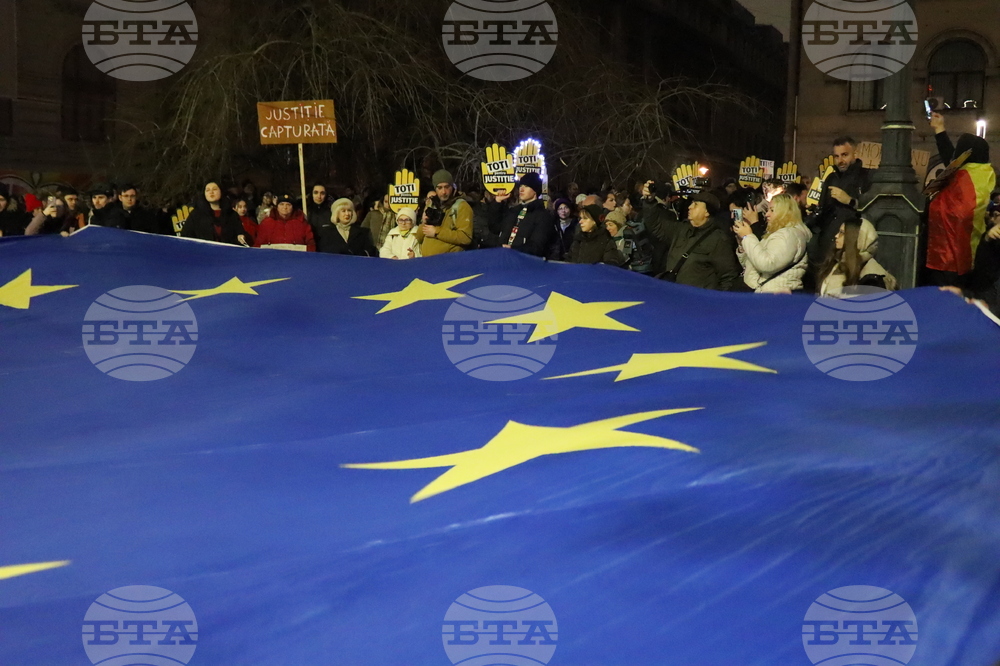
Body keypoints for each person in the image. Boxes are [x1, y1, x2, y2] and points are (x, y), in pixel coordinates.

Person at [925, 112, 997, 288]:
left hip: (947, 258)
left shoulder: (962, 176)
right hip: (968, 255)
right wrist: (939, 129)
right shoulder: (984, 175)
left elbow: (950, 159)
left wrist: (940, 129)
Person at [641, 184, 740, 291]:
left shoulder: (718, 239)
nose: (690, 207)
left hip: (697, 302)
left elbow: (728, 276)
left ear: (707, 212)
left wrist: (713, 302)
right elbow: (656, 225)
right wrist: (649, 202)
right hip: (673, 295)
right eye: (691, 203)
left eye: (696, 204)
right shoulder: (681, 229)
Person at [734, 193, 812, 293]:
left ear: (785, 212)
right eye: (767, 210)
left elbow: (767, 264)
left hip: (776, 295)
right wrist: (742, 244)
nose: (767, 214)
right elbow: (752, 263)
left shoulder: (788, 235)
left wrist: (748, 236)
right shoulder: (777, 233)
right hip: (768, 293)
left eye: (772, 210)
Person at [816, 219, 895, 296]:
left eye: (842, 233)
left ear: (856, 238)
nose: (836, 236)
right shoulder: (837, 262)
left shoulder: (872, 277)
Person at [490, 172, 552, 257]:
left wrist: (513, 249)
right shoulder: (513, 211)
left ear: (535, 191)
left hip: (524, 263)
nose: (521, 189)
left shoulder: (542, 215)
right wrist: (497, 202)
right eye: (520, 186)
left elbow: (537, 247)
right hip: (504, 258)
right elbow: (495, 228)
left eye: (526, 186)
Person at [416, 169, 474, 256]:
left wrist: (437, 232)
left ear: (452, 187)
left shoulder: (461, 206)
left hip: (450, 262)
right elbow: (419, 238)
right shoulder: (432, 205)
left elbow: (465, 238)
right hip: (428, 263)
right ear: (435, 189)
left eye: (447, 187)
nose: (444, 192)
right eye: (439, 188)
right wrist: (423, 223)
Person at [181, 181, 247, 246]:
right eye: (207, 190)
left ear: (221, 191)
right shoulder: (196, 215)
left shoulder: (231, 214)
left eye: (214, 189)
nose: (211, 192)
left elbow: (239, 231)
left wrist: (240, 235)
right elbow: (186, 236)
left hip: (227, 253)